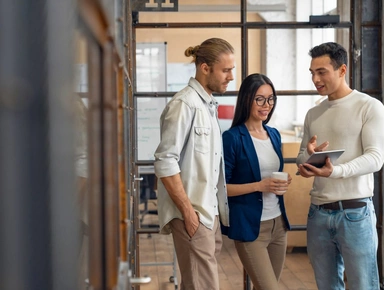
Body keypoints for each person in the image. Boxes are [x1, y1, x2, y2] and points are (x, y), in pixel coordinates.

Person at [296, 42, 384, 290]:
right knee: (326, 287)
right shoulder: (314, 113)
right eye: (312, 72)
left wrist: (336, 171)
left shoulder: (369, 107)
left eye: (322, 71)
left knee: (363, 285)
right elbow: (303, 156)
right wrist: (307, 160)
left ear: (342, 70)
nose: (315, 78)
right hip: (318, 213)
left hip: (355, 213)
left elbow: (376, 157)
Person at [154, 37, 235, 290]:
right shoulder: (184, 104)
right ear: (205, 68)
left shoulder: (207, 104)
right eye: (226, 70)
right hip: (194, 216)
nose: (231, 76)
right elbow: (166, 161)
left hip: (207, 217)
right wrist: (189, 214)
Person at [222, 73, 291, 289]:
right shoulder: (232, 138)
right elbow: (221, 189)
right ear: (246, 99)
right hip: (251, 228)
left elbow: (273, 173)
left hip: (278, 225)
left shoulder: (274, 134)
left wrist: (283, 181)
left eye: (270, 99)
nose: (266, 105)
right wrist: (260, 186)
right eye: (259, 99)